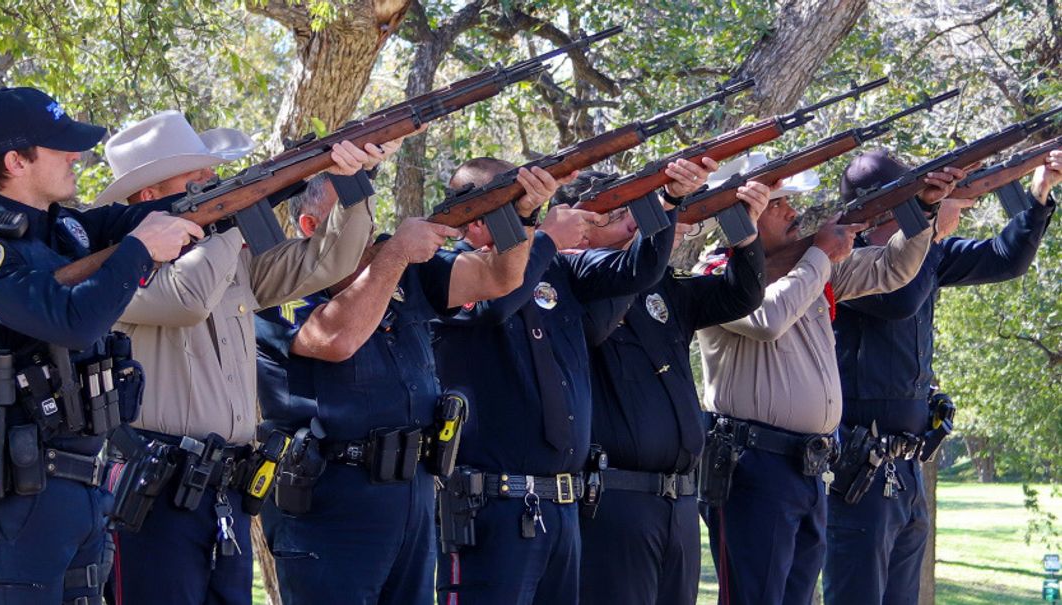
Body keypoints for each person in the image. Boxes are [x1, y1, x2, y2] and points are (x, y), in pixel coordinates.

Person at [98, 110, 390, 605]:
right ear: (149, 196)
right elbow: (186, 299)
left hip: (224, 487)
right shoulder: (115, 263)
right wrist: (233, 216)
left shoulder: (224, 251)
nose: (213, 181)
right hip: (155, 491)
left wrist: (351, 184)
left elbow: (326, 262)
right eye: (197, 178)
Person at [0, 87, 199, 605]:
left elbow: (182, 209)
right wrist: (140, 251)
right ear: (15, 161)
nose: (77, 155)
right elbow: (72, 321)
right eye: (61, 147)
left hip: (88, 488)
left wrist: (300, 176)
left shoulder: (65, 232)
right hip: (23, 499)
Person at [255, 163, 569, 605]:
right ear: (310, 227)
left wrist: (522, 218)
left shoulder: (396, 272)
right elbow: (336, 338)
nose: (366, 235)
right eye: (348, 221)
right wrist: (396, 254)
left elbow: (499, 277)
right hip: (330, 500)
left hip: (413, 492)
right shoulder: (279, 286)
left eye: (368, 222)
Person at [433, 155, 711, 605]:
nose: (530, 216)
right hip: (491, 504)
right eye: (518, 209)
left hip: (559, 505)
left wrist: (667, 201)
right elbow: (496, 304)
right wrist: (543, 240)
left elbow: (637, 271)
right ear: (476, 220)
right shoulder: (450, 271)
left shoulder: (558, 268)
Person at [694, 152, 961, 605]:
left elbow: (891, 270)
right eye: (779, 205)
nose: (793, 213)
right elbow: (767, 317)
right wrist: (820, 254)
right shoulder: (716, 273)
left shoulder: (808, 268)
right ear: (744, 214)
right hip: (752, 465)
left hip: (808, 466)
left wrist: (924, 213)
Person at [823, 149, 1061, 605]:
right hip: (859, 466)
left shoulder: (925, 252)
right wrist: (929, 232)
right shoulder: (843, 262)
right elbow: (899, 297)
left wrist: (1039, 193)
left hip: (907, 465)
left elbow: (1005, 260)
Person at [572, 158, 770, 605]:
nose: (629, 225)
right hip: (614, 498)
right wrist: (650, 239)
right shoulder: (575, 286)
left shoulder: (664, 287)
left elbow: (740, 294)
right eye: (618, 215)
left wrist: (744, 232)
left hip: (678, 498)